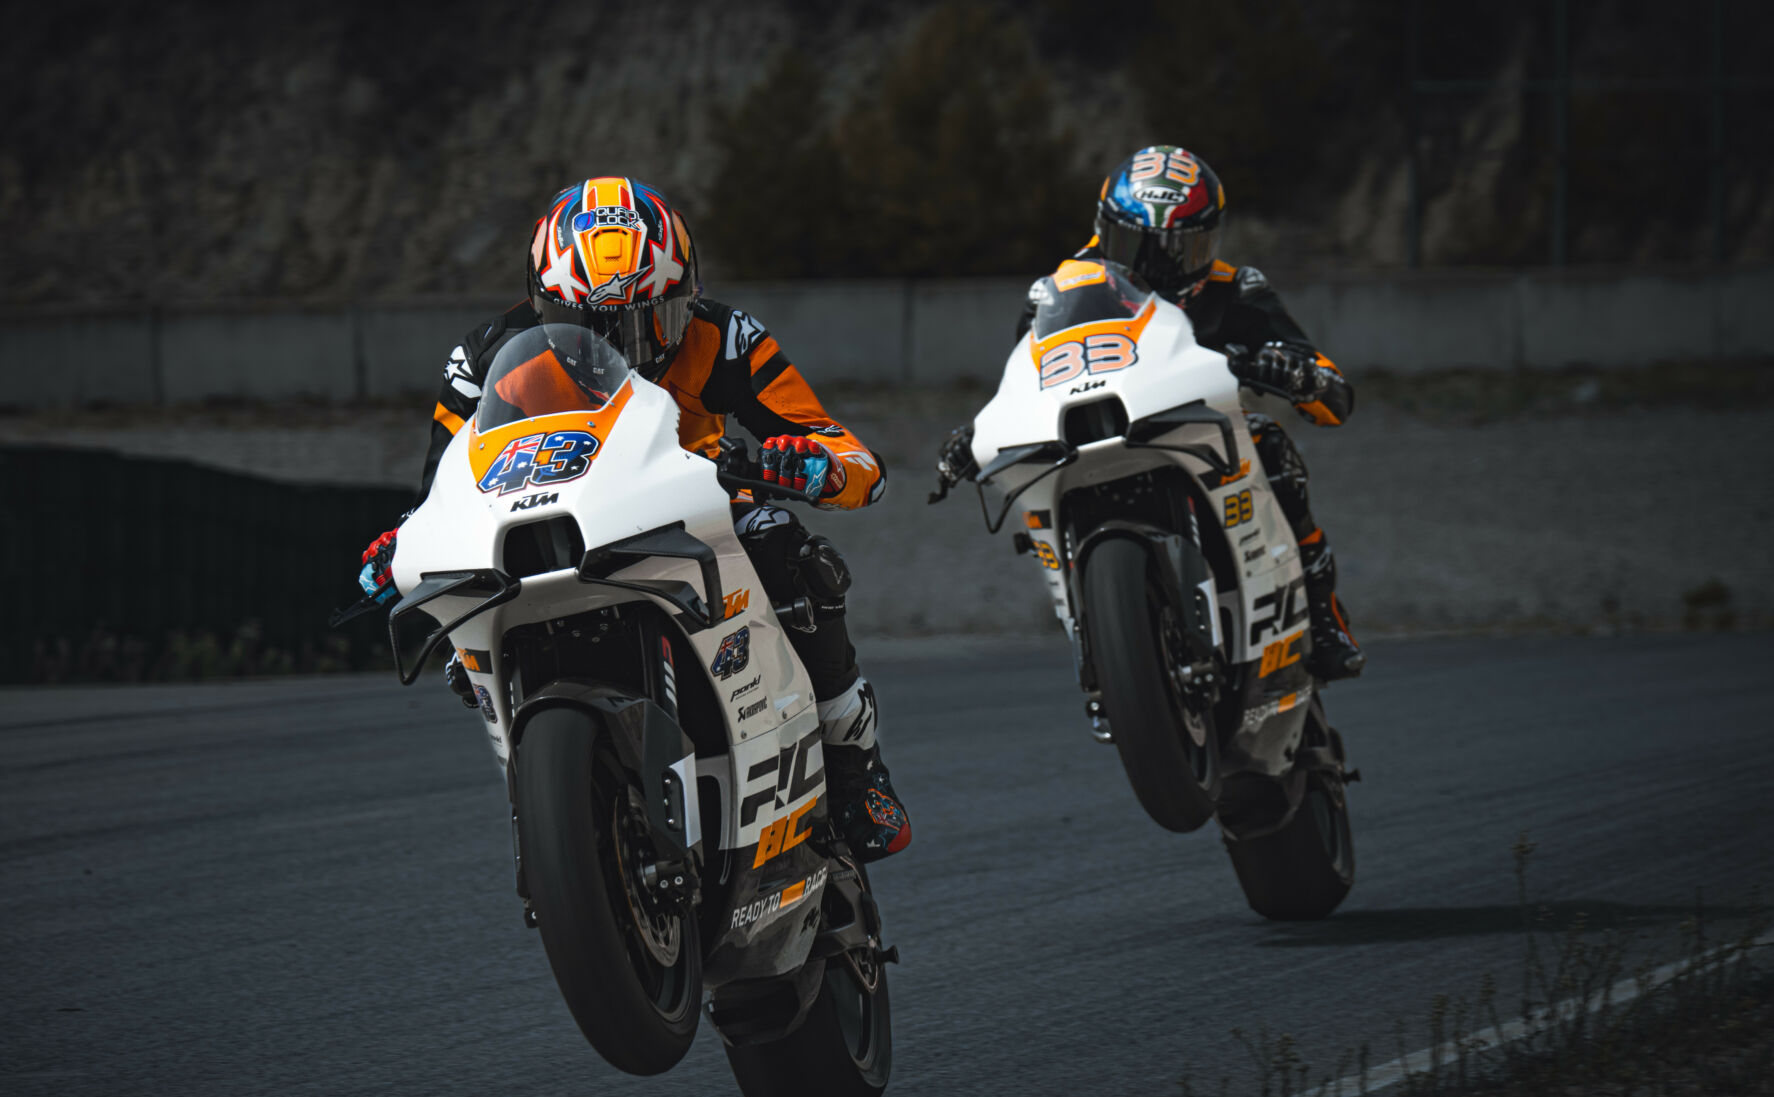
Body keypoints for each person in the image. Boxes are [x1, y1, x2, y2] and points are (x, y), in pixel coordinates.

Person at [357, 176, 910, 859]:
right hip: (558, 524)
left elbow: (848, 450)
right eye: (596, 326)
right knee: (457, 618)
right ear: (545, 306)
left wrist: (817, 465)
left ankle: (856, 765)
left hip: (690, 509)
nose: (628, 346)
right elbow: (442, 486)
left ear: (686, 295)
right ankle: (551, 809)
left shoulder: (724, 335)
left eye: (655, 320)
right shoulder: (485, 363)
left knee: (782, 545)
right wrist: (401, 545)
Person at [953, 144, 1366, 681]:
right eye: (1133, 247)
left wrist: (1298, 373)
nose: (1152, 266)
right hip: (1099, 436)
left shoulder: (1234, 289)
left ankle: (1325, 616)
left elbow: (1332, 394)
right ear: (1104, 230)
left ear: (1209, 241)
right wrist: (978, 432)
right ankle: (1099, 640)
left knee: (1271, 445)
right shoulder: (1059, 292)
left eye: (1178, 249)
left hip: (1202, 437)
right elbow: (1021, 379)